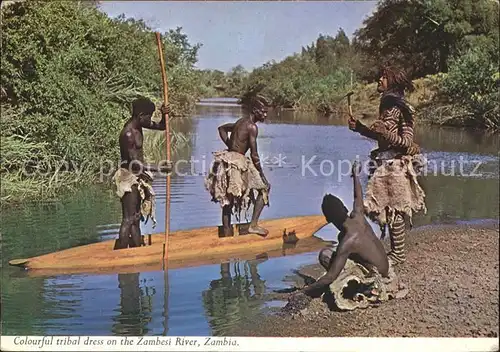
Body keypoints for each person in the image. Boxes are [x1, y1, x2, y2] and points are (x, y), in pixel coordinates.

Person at [289, 162, 406, 311]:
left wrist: (304, 291)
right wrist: (355, 175)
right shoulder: (358, 215)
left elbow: (330, 277)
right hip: (386, 268)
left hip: (377, 279)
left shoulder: (348, 241)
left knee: (325, 255)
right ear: (345, 208)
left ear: (329, 219)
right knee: (341, 248)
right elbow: (358, 196)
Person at [348, 65, 427, 265]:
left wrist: (385, 132)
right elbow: (381, 137)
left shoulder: (403, 107)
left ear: (392, 81)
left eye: (382, 77)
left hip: (396, 164)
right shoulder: (387, 104)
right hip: (384, 162)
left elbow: (407, 142)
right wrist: (360, 129)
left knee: (395, 209)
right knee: (384, 207)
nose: (378, 81)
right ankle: (393, 251)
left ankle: (398, 253)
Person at [204, 93, 271, 237]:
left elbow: (221, 128)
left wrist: (232, 147)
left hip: (227, 158)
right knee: (264, 189)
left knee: (228, 200)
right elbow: (254, 155)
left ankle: (227, 236)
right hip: (236, 162)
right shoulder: (252, 127)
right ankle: (253, 225)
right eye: (263, 111)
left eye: (266, 111)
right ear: (254, 110)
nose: (265, 114)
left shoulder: (240, 121)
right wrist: (262, 175)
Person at [112, 97, 172, 250]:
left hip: (137, 176)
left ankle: (137, 249)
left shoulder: (139, 125)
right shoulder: (128, 134)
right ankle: (120, 254)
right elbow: (135, 164)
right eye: (149, 116)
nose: (150, 119)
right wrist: (159, 168)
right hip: (128, 177)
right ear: (140, 115)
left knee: (136, 217)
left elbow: (161, 127)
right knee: (128, 218)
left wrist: (165, 114)